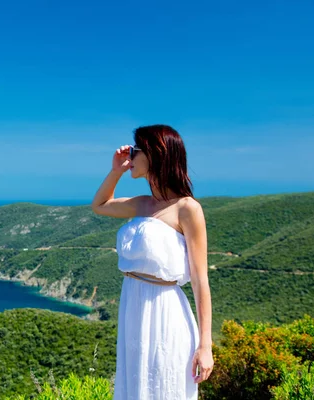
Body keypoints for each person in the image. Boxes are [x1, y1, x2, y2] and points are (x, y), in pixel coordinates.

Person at [91, 124, 214, 399]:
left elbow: (200, 280)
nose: (131, 156)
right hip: (132, 309)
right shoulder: (141, 203)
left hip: (166, 313)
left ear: (155, 154)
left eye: (136, 151)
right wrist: (116, 171)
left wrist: (205, 346)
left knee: (163, 386)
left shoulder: (187, 208)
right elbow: (99, 205)